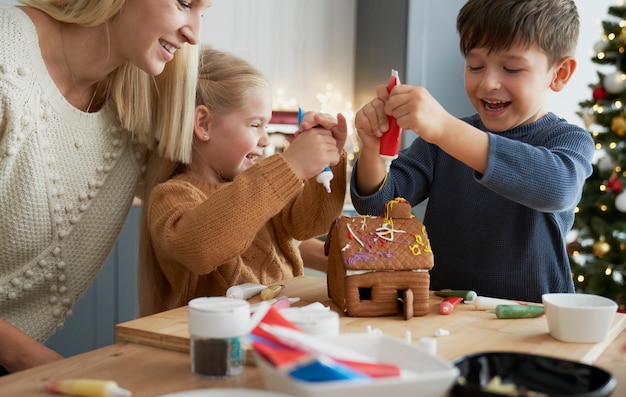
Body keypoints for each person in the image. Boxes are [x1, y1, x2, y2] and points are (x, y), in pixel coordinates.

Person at [0, 0, 210, 375]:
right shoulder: (6, 53)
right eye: (183, 3)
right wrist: (33, 362)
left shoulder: (141, 103)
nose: (194, 33)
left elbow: (212, 212)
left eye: (203, 12)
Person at [350, 0, 594, 303]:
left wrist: (445, 129)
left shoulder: (568, 138)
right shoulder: (440, 142)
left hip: (534, 321)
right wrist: (373, 151)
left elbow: (558, 188)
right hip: (443, 311)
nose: (488, 82)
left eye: (512, 68)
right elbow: (380, 206)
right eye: (475, 66)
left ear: (560, 74)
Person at [138, 47, 347, 316]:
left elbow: (311, 223)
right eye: (255, 124)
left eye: (267, 127)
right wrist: (291, 164)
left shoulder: (261, 185)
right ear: (203, 123)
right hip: (219, 341)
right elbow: (202, 248)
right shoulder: (171, 195)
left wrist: (328, 159)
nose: (264, 139)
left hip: (282, 325)